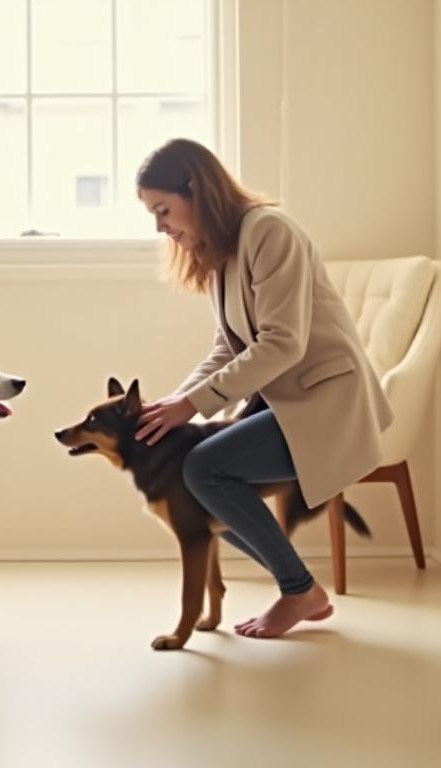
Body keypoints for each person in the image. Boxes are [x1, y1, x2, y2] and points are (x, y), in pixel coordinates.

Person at [134, 138, 393, 638]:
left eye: (163, 210)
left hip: (326, 403)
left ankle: (297, 590)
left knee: (203, 468)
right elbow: (227, 346)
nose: (160, 227)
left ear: (196, 189)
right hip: (283, 401)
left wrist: (192, 405)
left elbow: (282, 343)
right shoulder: (221, 256)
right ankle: (303, 589)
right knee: (191, 472)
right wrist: (178, 402)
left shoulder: (268, 232)